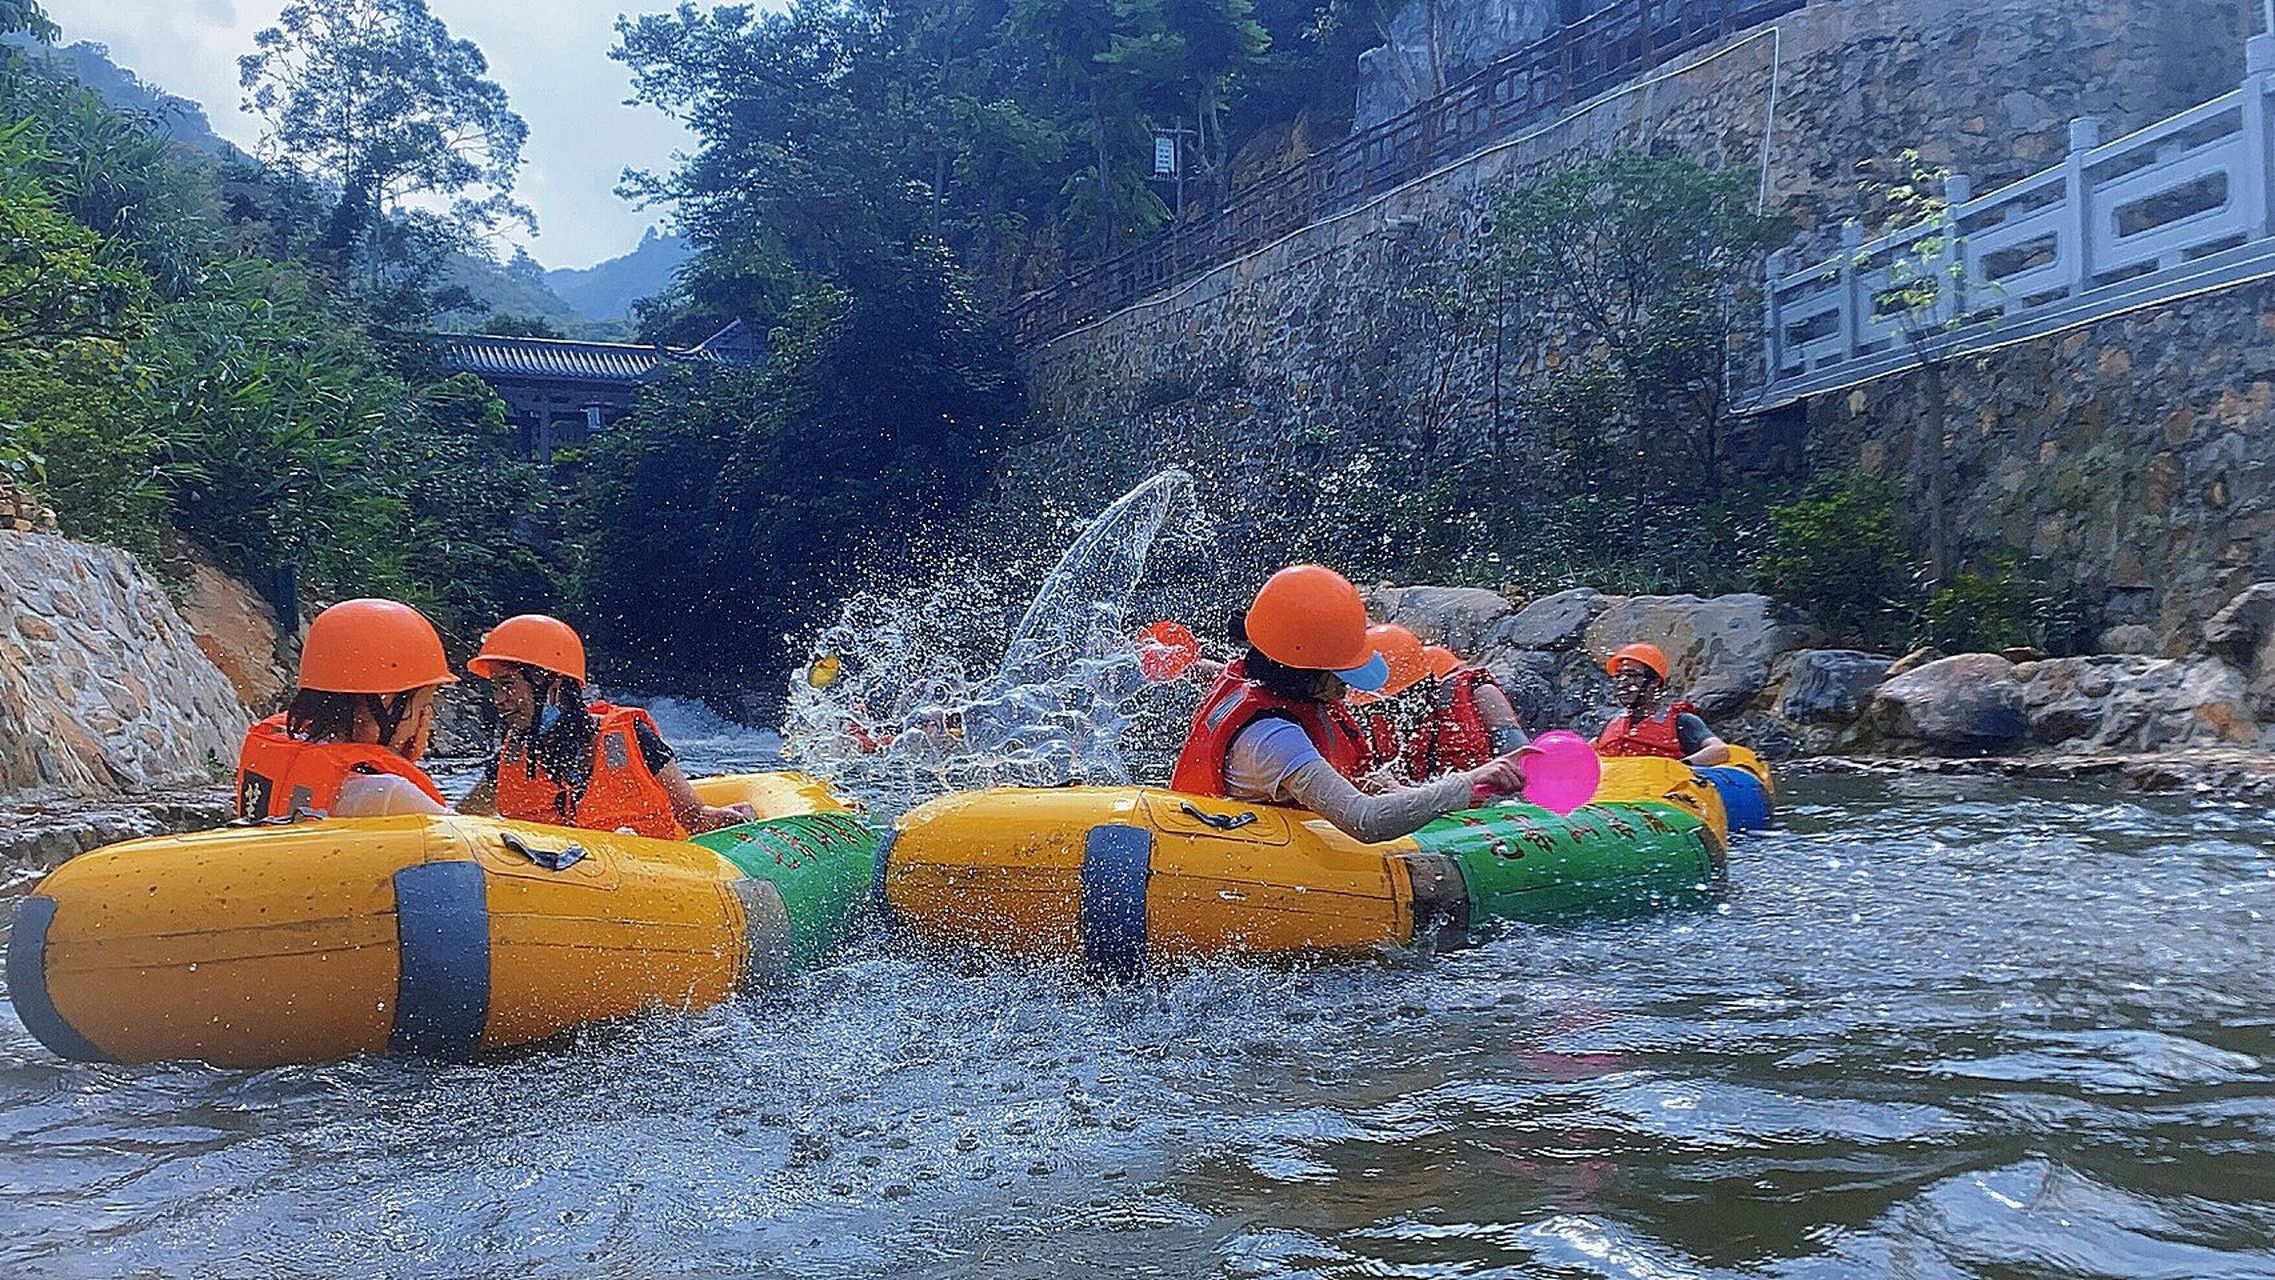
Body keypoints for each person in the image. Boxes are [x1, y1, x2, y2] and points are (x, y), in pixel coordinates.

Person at [1170, 565, 1533, 842]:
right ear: (1304, 671)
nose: (1347, 689)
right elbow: (1365, 821)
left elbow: (1354, 783)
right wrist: (1469, 783)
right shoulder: (1273, 739)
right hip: (1222, 852)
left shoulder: (1263, 677)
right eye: (1341, 674)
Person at [457, 614, 748, 838]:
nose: (498, 700)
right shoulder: (513, 758)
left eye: (508, 685)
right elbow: (460, 821)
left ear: (553, 685)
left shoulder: (635, 740)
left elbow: (695, 818)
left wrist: (741, 821)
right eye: (495, 687)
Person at [235, 598, 456, 820]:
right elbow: (473, 843)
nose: (424, 722)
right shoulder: (389, 793)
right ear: (385, 701)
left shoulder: (286, 752)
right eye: (423, 707)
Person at [1403, 644, 1531, 779]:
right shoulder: (1421, 716)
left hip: (1487, 785)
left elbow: (1515, 746)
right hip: (1455, 788)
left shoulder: (1483, 692)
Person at [1594, 642, 1731, 766]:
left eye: (1633, 675)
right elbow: (1587, 752)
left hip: (1660, 789)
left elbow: (1719, 750)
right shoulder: (1612, 723)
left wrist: (1680, 767)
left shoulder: (1681, 721)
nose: (1623, 682)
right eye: (1618, 676)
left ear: (1654, 681)